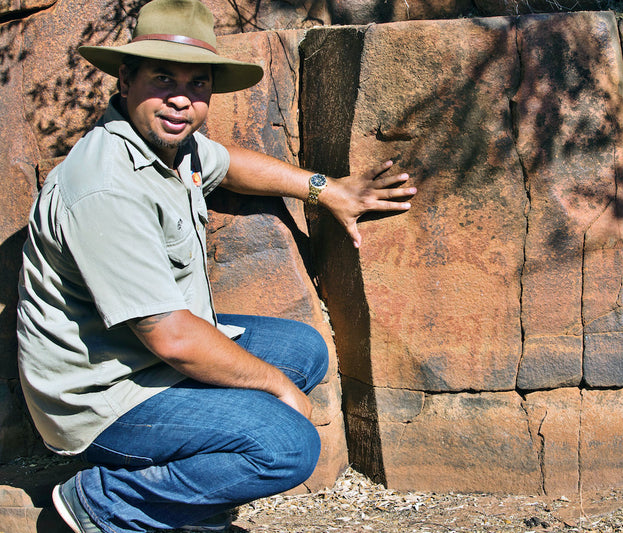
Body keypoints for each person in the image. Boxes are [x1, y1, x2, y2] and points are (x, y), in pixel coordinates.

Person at [15, 1, 416, 532]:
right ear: (126, 78)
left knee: (303, 349)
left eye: (197, 84)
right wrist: (275, 389)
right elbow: (173, 338)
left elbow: (226, 163)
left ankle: (181, 472)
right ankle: (101, 502)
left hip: (147, 360)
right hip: (101, 396)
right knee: (286, 446)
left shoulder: (168, 148)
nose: (181, 99)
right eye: (163, 79)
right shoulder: (106, 187)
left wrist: (326, 190)